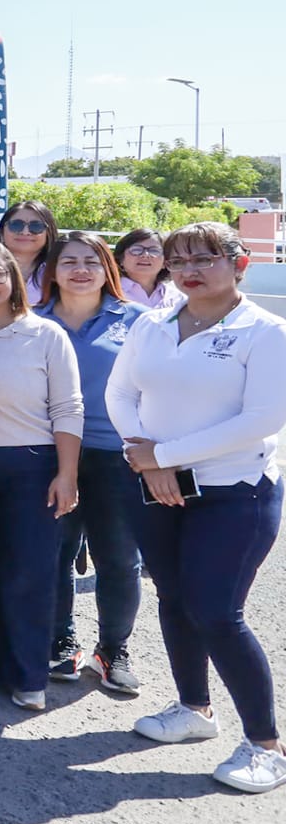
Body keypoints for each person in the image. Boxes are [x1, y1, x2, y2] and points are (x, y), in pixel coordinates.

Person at [110, 221, 286, 793]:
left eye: (206, 257)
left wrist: (163, 456)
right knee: (175, 598)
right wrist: (152, 461)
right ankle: (194, 710)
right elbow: (119, 393)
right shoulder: (152, 324)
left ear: (239, 264)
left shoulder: (265, 332)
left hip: (235, 489)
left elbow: (261, 419)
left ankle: (267, 745)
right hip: (156, 484)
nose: (189, 268)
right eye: (178, 258)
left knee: (217, 612)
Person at [0, 239, 82, 711]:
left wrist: (67, 474)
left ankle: (26, 672)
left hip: (32, 464)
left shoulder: (46, 335)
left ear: (15, 280)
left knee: (29, 571)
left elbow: (68, 407)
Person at [36, 231, 147, 693]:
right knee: (54, 553)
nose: (80, 270)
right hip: (50, 452)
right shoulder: (32, 321)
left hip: (116, 456)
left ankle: (113, 648)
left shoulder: (141, 321)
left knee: (119, 558)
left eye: (91, 261)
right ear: (51, 272)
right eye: (69, 262)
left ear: (108, 269)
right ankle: (60, 641)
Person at [0, 201, 56, 305]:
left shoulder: (58, 272)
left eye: (36, 226)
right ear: (1, 233)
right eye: (16, 225)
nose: (25, 232)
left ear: (48, 234)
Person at [114, 228, 181, 311]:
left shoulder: (178, 297)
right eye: (137, 250)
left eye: (154, 250)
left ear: (165, 262)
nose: (145, 255)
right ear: (120, 259)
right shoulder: (109, 293)